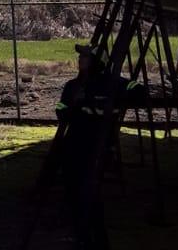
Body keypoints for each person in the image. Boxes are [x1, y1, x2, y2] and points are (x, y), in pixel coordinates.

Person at [54, 44, 144, 249]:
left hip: (96, 147)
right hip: (73, 146)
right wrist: (75, 109)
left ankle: (97, 239)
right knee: (73, 192)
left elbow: (135, 89)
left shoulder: (111, 84)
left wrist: (118, 98)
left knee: (90, 194)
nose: (80, 60)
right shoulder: (73, 86)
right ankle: (82, 235)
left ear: (96, 61)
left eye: (85, 57)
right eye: (80, 57)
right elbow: (62, 110)